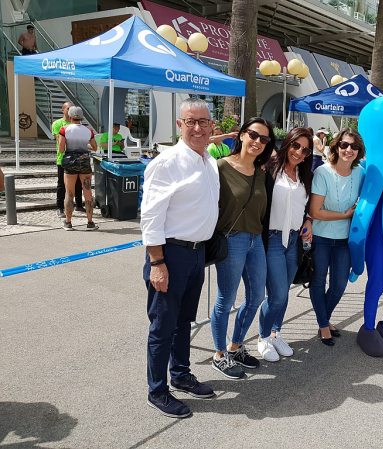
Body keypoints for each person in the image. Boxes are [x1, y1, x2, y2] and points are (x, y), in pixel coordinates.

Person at [141, 98, 219, 419]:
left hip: (196, 253)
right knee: (163, 325)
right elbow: (151, 216)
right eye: (191, 122)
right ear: (179, 125)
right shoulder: (167, 162)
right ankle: (157, 390)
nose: (197, 128)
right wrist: (157, 263)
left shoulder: (209, 160)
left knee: (184, 321)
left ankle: (181, 374)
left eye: (203, 122)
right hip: (170, 255)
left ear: (212, 125)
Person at [211, 117, 275, 379]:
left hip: (255, 240)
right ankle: (219, 354)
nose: (257, 141)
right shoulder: (221, 167)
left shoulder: (261, 172)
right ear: (241, 135)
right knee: (226, 300)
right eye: (253, 135)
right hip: (231, 239)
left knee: (256, 296)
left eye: (264, 139)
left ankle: (235, 346)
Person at [257, 127, 313, 362]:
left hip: (294, 240)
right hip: (273, 239)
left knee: (285, 292)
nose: (299, 152)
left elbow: (306, 205)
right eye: (296, 146)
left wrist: (309, 220)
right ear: (287, 144)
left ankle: (275, 332)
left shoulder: (305, 175)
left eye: (305, 150)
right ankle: (262, 337)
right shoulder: (269, 169)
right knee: (277, 295)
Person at [309, 128, 365, 346]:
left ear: (359, 151)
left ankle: (324, 318)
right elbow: (315, 211)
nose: (349, 149)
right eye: (344, 145)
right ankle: (324, 325)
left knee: (339, 284)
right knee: (318, 281)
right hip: (321, 237)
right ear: (336, 146)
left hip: (344, 240)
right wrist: (345, 215)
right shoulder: (322, 172)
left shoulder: (360, 173)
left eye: (354, 146)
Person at [57, 106, 98, 231]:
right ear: (81, 117)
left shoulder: (64, 129)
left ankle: (68, 222)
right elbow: (95, 147)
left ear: (70, 116)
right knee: (88, 192)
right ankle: (90, 222)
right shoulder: (88, 131)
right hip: (84, 162)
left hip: (70, 162)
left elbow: (61, 149)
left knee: (69, 193)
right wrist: (84, 147)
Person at [52, 102, 83, 218]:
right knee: (61, 184)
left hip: (77, 158)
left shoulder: (76, 124)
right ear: (63, 110)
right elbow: (60, 141)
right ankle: (60, 208)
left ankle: (79, 205)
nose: (71, 111)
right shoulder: (57, 124)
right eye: (68, 108)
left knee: (78, 183)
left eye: (72, 108)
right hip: (63, 158)